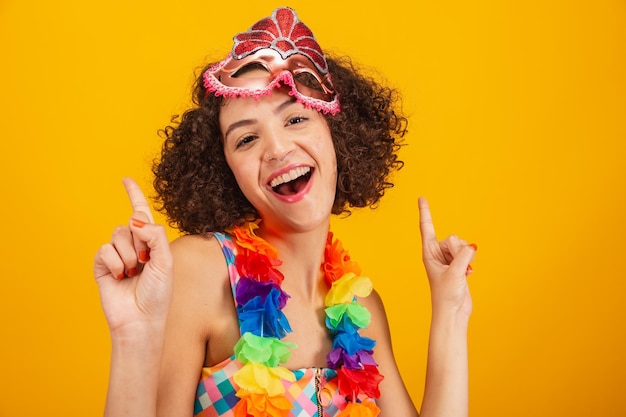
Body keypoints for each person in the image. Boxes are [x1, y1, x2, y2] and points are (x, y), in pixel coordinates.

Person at [93, 7, 476, 417]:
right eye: (245, 140)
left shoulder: (362, 312)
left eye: (295, 118)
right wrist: (133, 340)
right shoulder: (198, 270)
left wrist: (451, 311)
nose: (276, 149)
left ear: (337, 134)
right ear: (225, 171)